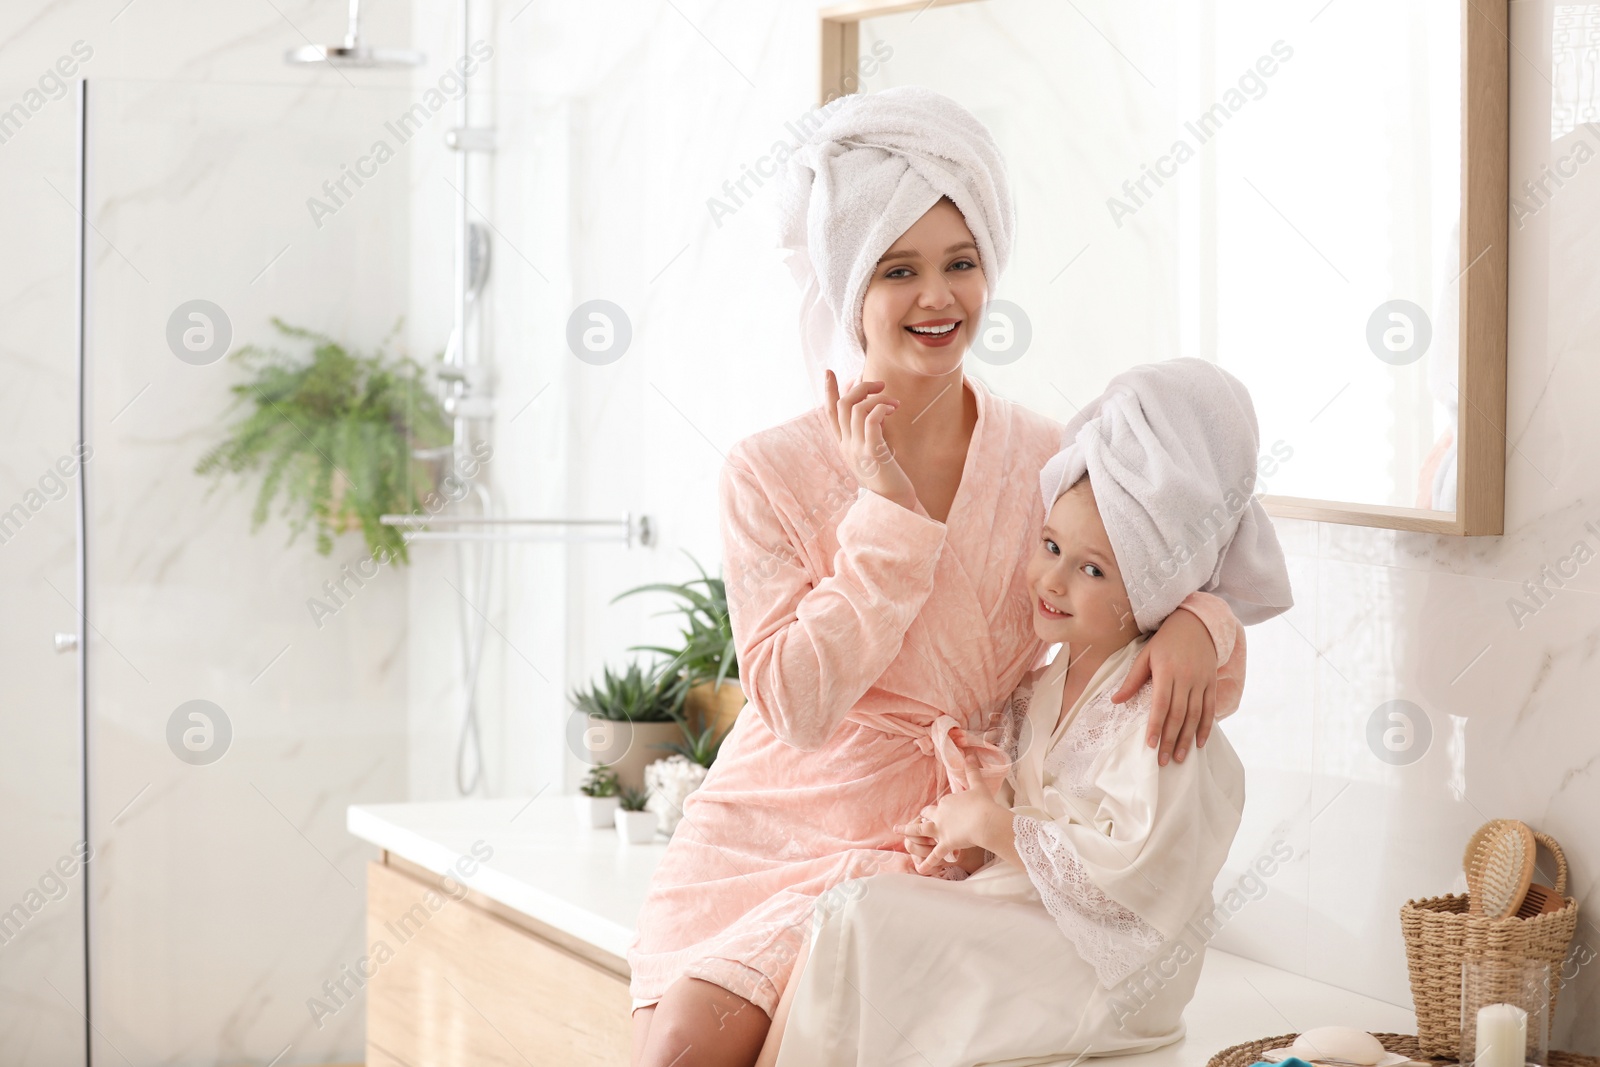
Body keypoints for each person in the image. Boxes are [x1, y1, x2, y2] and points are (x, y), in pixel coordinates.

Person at [626, 88, 1290, 1067]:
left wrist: (1202, 621)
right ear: (849, 284)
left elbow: (1137, 579)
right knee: (681, 1048)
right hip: (774, 826)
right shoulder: (766, 472)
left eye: (961, 263)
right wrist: (888, 513)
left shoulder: (1046, 455)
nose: (938, 298)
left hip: (948, 838)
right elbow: (798, 703)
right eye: (899, 269)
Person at [759, 359, 1292, 1066]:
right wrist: (968, 836)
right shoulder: (1047, 682)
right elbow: (1024, 808)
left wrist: (996, 826)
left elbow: (1142, 877)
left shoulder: (1159, 705)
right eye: (1049, 546)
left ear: (1155, 589)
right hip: (1039, 919)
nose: (1052, 580)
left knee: (862, 918)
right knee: (858, 910)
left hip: (1115, 975)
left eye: (1093, 569)